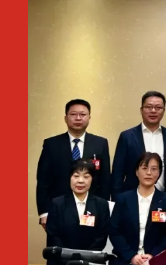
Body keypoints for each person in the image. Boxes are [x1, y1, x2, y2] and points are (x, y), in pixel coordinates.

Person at [36, 99, 111, 231]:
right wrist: (44, 212)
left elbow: (105, 180)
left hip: (91, 209)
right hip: (58, 208)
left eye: (82, 114)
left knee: (89, 242)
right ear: (65, 118)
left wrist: (103, 209)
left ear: (89, 118)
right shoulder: (51, 144)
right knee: (59, 243)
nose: (78, 118)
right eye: (73, 114)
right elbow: (43, 181)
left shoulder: (100, 143)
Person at [109, 152, 166, 265]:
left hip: (156, 261)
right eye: (144, 168)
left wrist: (153, 255)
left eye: (154, 169)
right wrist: (131, 256)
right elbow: (114, 231)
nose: (149, 173)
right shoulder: (123, 199)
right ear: (136, 172)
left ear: (159, 173)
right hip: (125, 261)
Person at [44, 160, 110, 265]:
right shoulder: (57, 204)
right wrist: (70, 262)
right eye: (76, 176)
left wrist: (85, 261)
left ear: (92, 179)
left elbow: (101, 237)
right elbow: (53, 237)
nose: (80, 181)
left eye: (86, 176)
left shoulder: (101, 204)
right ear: (70, 178)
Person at [111, 91, 166, 200]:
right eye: (148, 107)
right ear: (141, 110)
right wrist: (117, 198)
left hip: (164, 198)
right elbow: (118, 171)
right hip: (132, 197)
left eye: (158, 108)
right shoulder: (127, 136)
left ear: (163, 111)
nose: (153, 111)